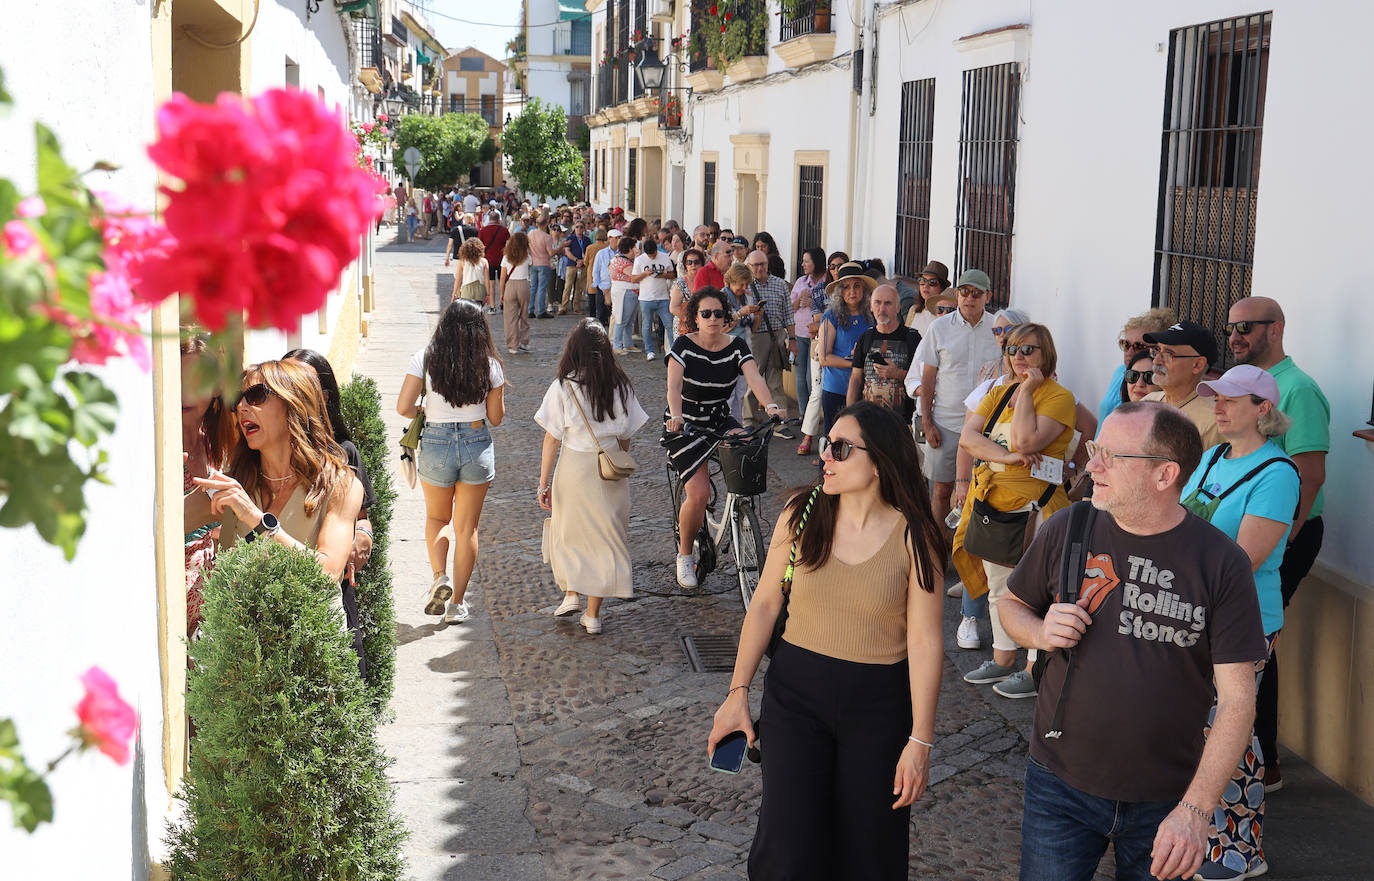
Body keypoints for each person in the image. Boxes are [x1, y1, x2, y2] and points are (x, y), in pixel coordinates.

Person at [999, 401, 1267, 881]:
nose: (1092, 466)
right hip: (1059, 783)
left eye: (1113, 456)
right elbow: (1012, 605)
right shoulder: (1069, 528)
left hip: (1167, 800)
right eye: (1095, 450)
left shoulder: (1220, 562)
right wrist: (1039, 632)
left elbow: (1237, 702)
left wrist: (1196, 810)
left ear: (1165, 474)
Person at [707, 401, 947, 880]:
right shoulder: (801, 514)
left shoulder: (916, 537)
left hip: (878, 707)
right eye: (825, 444)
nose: (825, 456)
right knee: (786, 846)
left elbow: (924, 642)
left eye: (840, 448)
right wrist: (737, 694)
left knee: (870, 850)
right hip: (795, 695)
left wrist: (920, 740)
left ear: (878, 462)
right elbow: (764, 606)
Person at [1177, 364, 1299, 880]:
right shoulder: (1212, 457)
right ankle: (1199, 836)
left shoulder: (1278, 473)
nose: (1218, 406)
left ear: (1263, 408)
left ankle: (1239, 849)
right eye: (1216, 398)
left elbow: (1244, 558)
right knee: (1201, 725)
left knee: (1230, 729)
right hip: (1195, 611)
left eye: (1230, 399)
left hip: (1245, 620)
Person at [1226, 296, 1329, 793]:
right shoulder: (1246, 382)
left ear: (1276, 329)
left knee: (1256, 639)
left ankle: (1264, 763)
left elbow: (1310, 474)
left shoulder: (1298, 388)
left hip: (1285, 534)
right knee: (1251, 643)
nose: (1235, 336)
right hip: (1256, 533)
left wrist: (1279, 544)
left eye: (1246, 326)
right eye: (1231, 327)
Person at [951, 323, 1075, 700]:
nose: (1018, 356)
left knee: (1036, 589)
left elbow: (1025, 440)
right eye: (1012, 349)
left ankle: (1034, 669)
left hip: (1038, 508)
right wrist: (1006, 458)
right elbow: (968, 438)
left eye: (1028, 349)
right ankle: (1003, 657)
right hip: (995, 503)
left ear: (1046, 354)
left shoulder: (1058, 397)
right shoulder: (997, 392)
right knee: (999, 586)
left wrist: (1028, 391)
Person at [189, 361, 365, 614]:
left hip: (309, 634)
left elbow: (328, 573)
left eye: (256, 395)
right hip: (239, 634)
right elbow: (166, 520)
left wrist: (258, 521)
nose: (241, 407)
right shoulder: (234, 485)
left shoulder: (340, 485)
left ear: (294, 403)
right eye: (238, 399)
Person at [535, 320, 650, 635]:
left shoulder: (564, 386)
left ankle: (572, 592)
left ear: (574, 349)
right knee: (604, 539)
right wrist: (616, 456)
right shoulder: (621, 385)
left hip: (574, 466)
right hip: (609, 468)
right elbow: (626, 436)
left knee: (568, 532)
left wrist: (543, 482)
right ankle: (592, 614)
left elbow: (551, 438)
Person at [663, 288, 783, 588]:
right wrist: (676, 416)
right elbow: (673, 387)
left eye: (718, 313)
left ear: (725, 316)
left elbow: (754, 377)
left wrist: (770, 406)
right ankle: (684, 555)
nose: (713, 318)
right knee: (699, 493)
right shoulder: (683, 345)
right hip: (686, 422)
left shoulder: (736, 346)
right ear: (696, 317)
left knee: (747, 448)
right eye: (706, 313)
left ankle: (741, 510)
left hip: (719, 418)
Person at [398, 300, 506, 624]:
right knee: (467, 527)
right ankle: (457, 605)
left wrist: (424, 410)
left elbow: (403, 407)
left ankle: (439, 577)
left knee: (437, 518)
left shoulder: (425, 358)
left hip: (436, 442)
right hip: (476, 442)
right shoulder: (490, 365)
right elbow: (496, 418)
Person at [283, 348, 379, 676]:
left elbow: (361, 515)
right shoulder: (264, 453)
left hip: (332, 584)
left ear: (323, 397)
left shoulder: (343, 452)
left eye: (302, 384)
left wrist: (363, 534)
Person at [911, 269, 1003, 527]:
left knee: (981, 494)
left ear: (988, 297)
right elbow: (928, 378)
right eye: (964, 292)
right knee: (941, 492)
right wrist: (927, 423)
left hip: (985, 428)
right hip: (945, 424)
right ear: (956, 293)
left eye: (976, 293)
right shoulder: (939, 328)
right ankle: (938, 547)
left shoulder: (998, 329)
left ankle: (967, 547)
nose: (969, 298)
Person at [181, 335, 229, 640]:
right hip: (176, 598)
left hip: (213, 599)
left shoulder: (218, 443)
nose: (184, 393)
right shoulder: (160, 450)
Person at [817, 263, 877, 439]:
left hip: (866, 389)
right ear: (839, 291)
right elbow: (824, 358)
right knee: (835, 438)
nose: (852, 291)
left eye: (857, 286)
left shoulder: (871, 316)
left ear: (864, 289)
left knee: (862, 438)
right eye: (846, 287)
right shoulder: (830, 316)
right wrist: (856, 363)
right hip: (836, 387)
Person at [1141, 320, 1223, 449]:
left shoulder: (1214, 419)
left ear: (1197, 365)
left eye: (1169, 354)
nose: (1156, 361)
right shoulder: (1147, 402)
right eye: (1157, 351)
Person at [800, 251, 851, 454]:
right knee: (817, 391)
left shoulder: (858, 298)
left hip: (843, 350)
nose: (836, 269)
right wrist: (825, 320)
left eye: (840, 266)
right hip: (820, 345)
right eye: (832, 266)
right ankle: (808, 436)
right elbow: (816, 321)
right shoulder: (820, 289)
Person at [846, 283, 921, 419]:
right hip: (868, 418)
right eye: (877, 303)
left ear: (898, 308)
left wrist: (897, 374)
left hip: (902, 421)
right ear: (871, 306)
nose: (882, 309)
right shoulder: (865, 337)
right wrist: (849, 415)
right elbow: (855, 379)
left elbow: (923, 378)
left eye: (888, 303)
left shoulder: (912, 338)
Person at [743, 249, 796, 435]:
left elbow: (788, 314)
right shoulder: (745, 286)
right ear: (749, 266)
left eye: (762, 264)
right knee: (753, 379)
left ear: (768, 264)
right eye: (755, 265)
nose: (759, 268)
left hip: (777, 336)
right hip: (755, 337)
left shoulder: (780, 284)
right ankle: (747, 420)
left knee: (776, 381)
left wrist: (793, 339)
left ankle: (780, 423)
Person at [1097, 308, 1176, 426]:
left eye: (1139, 346)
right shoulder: (1120, 372)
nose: (1129, 352)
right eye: (1126, 344)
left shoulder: (1162, 380)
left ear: (1158, 349)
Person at [791, 247, 830, 456]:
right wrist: (800, 300)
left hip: (816, 337)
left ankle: (812, 416)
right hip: (800, 332)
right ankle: (803, 413)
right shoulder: (800, 282)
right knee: (800, 376)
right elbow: (790, 307)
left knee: (810, 379)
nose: (803, 264)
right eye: (803, 261)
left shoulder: (827, 283)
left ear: (817, 262)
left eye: (807, 261)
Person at [634, 237, 676, 360]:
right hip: (646, 298)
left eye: (653, 254)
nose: (652, 257)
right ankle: (649, 351)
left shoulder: (665, 257)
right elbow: (633, 278)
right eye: (649, 255)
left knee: (669, 324)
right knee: (646, 326)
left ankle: (673, 350)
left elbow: (672, 274)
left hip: (663, 297)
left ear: (656, 250)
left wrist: (663, 275)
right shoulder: (639, 260)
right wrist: (645, 273)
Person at [609, 235, 650, 354]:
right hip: (625, 292)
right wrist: (645, 273)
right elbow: (635, 275)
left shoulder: (621, 259)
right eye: (634, 247)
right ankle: (617, 345)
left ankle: (628, 344)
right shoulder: (622, 261)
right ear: (629, 249)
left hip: (629, 292)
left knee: (629, 321)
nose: (636, 250)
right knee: (621, 319)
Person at [500, 232, 533, 355]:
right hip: (524, 284)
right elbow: (531, 264)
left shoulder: (506, 257)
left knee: (510, 317)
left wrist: (501, 293)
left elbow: (502, 278)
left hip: (510, 285)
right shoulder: (527, 257)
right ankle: (524, 342)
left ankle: (513, 345)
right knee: (524, 315)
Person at [904, 261, 951, 336]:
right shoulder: (914, 310)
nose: (926, 286)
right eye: (922, 280)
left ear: (942, 287)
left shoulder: (946, 313)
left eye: (932, 282)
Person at [478, 209, 511, 312]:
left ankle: (492, 307)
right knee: (502, 282)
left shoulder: (483, 230)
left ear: (489, 219)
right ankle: (502, 303)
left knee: (491, 284)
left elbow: (479, 246)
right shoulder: (504, 230)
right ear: (498, 220)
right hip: (502, 260)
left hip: (488, 260)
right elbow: (509, 244)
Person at [670, 248, 706, 338]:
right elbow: (673, 308)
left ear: (702, 264)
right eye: (689, 262)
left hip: (704, 326)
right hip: (685, 328)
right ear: (685, 265)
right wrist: (692, 319)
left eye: (696, 262)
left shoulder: (707, 280)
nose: (693, 265)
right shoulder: (681, 283)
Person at [527, 213, 556, 318]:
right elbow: (551, 253)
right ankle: (541, 311)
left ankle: (530, 310)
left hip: (533, 263)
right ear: (546, 224)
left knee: (533, 287)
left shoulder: (531, 233)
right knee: (542, 288)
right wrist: (561, 247)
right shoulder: (547, 237)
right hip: (543, 263)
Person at [591, 228, 620, 327]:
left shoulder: (622, 253)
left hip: (617, 287)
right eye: (616, 238)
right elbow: (596, 270)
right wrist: (598, 285)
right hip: (603, 286)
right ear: (609, 239)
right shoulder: (601, 253)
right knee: (601, 315)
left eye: (619, 238)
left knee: (615, 315)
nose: (618, 240)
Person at [452, 238, 488, 304]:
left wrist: (454, 293)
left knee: (466, 309)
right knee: (478, 309)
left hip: (467, 289)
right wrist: (488, 294)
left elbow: (458, 279)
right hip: (480, 289)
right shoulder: (484, 261)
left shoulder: (462, 261)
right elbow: (487, 280)